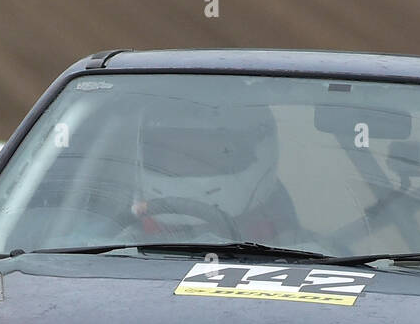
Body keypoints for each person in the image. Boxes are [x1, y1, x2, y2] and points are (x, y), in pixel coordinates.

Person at [126, 99, 302, 243]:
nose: (187, 166)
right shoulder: (116, 248)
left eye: (206, 156)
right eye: (171, 156)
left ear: (261, 155)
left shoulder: (306, 256)